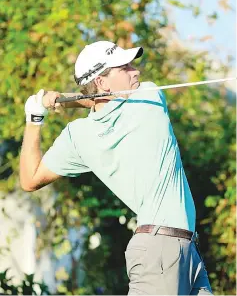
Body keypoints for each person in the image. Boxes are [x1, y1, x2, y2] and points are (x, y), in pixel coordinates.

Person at [20, 40, 213, 295]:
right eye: (125, 68)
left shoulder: (79, 135)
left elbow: (30, 177)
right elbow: (29, 181)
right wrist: (64, 102)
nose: (136, 72)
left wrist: (36, 117)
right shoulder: (148, 98)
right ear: (101, 82)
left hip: (185, 251)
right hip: (159, 251)